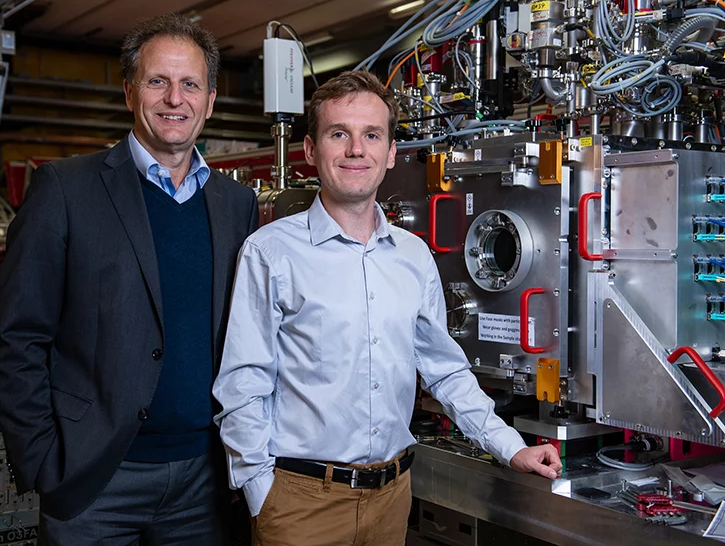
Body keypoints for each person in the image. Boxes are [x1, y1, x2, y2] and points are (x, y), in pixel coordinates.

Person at [213, 70, 562, 546]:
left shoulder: (414, 256)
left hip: (392, 498)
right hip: (300, 503)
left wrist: (509, 447)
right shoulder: (270, 252)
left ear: (391, 152)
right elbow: (243, 382)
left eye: (371, 135)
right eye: (339, 134)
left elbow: (446, 372)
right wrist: (262, 492)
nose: (357, 150)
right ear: (312, 151)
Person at [0, 13, 258, 545]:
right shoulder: (66, 190)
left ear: (210, 98)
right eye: (158, 81)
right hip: (95, 480)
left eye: (190, 84)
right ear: (130, 90)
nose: (174, 98)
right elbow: (17, 336)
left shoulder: (236, 203)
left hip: (205, 483)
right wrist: (45, 459)